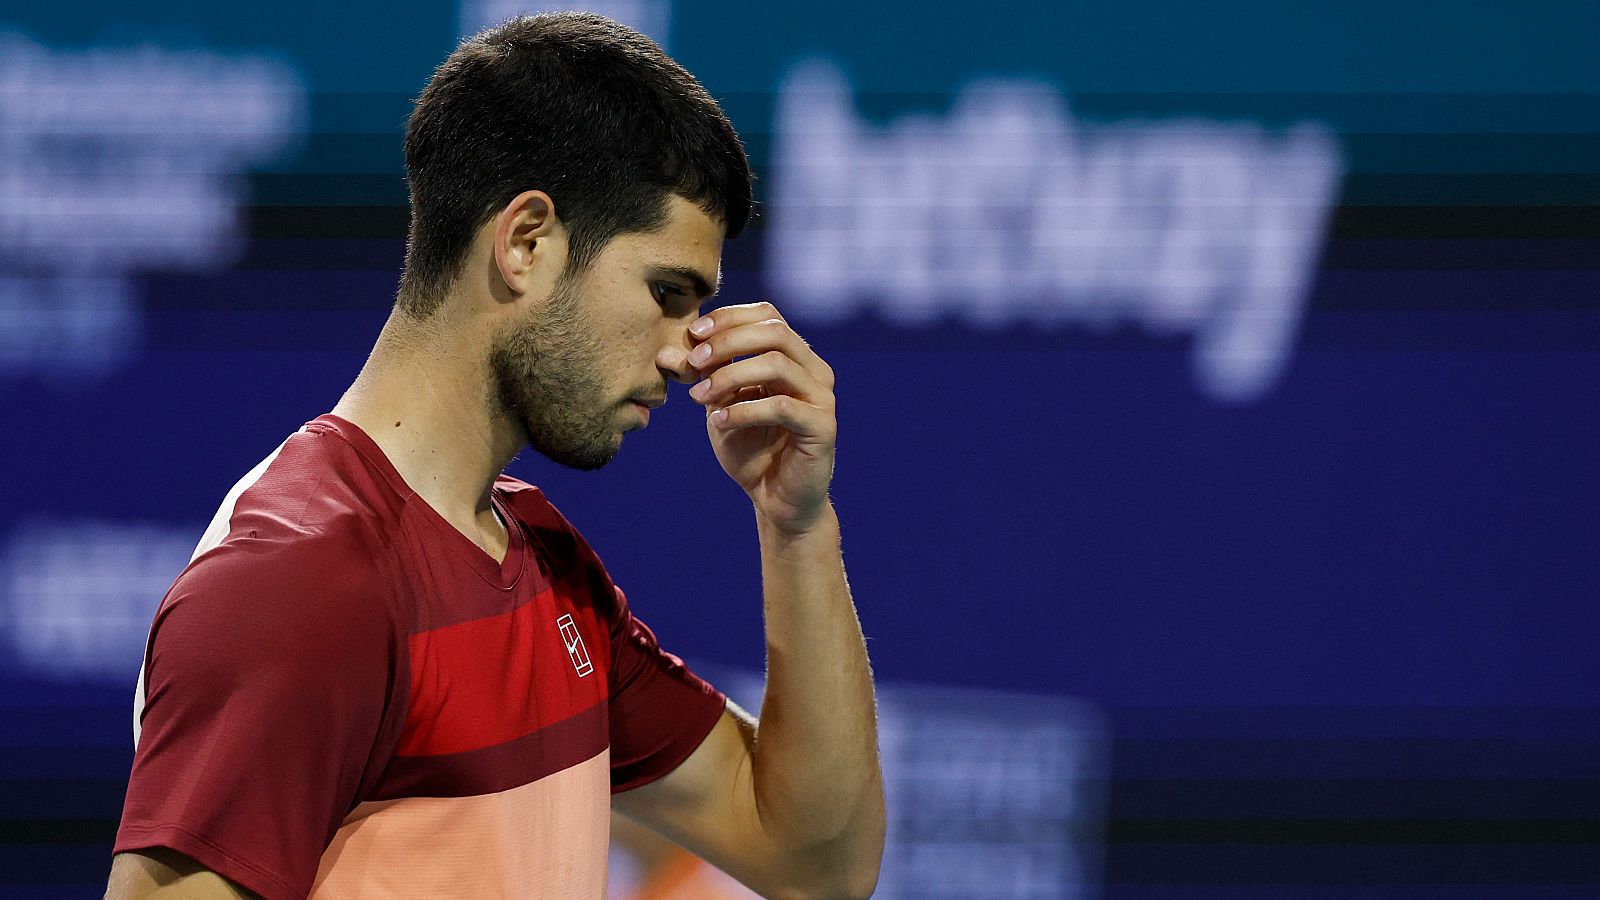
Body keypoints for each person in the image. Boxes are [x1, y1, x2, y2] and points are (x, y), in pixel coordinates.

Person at [103, 13, 885, 899]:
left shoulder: (545, 562)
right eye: (666, 293)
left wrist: (796, 521)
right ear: (526, 244)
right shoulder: (302, 583)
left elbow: (815, 860)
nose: (682, 351)